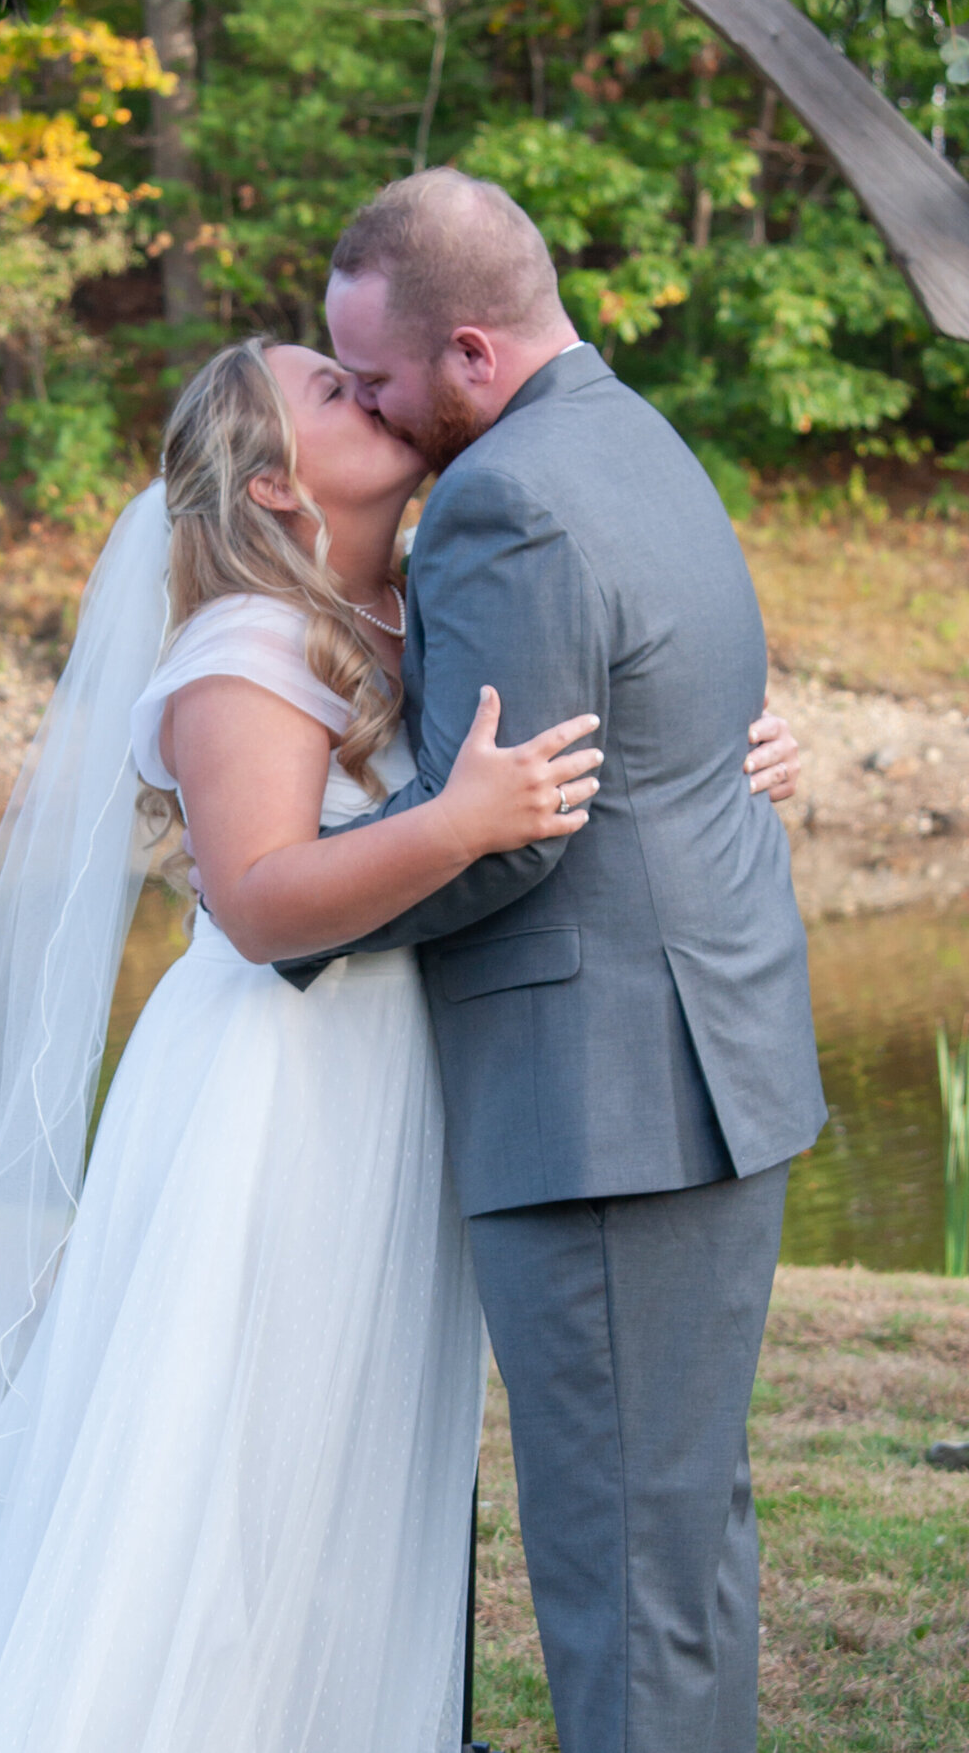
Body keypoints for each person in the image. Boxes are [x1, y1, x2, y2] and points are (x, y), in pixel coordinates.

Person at [0, 332, 801, 1753]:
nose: (369, 389)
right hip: (271, 1103)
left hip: (393, 1088)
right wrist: (460, 821)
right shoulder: (242, 650)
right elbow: (260, 901)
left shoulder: (421, 609)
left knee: (357, 1463)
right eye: (331, 388)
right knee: (241, 1465)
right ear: (270, 481)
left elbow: (581, 733)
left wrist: (725, 744)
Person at [278, 168, 828, 1753]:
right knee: (677, 1543)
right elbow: (683, 729)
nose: (369, 408)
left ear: (466, 354)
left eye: (375, 375)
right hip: (702, 1060)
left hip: (607, 1101)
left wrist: (283, 917)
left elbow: (511, 831)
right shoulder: (634, 436)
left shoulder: (504, 503)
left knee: (624, 1567)